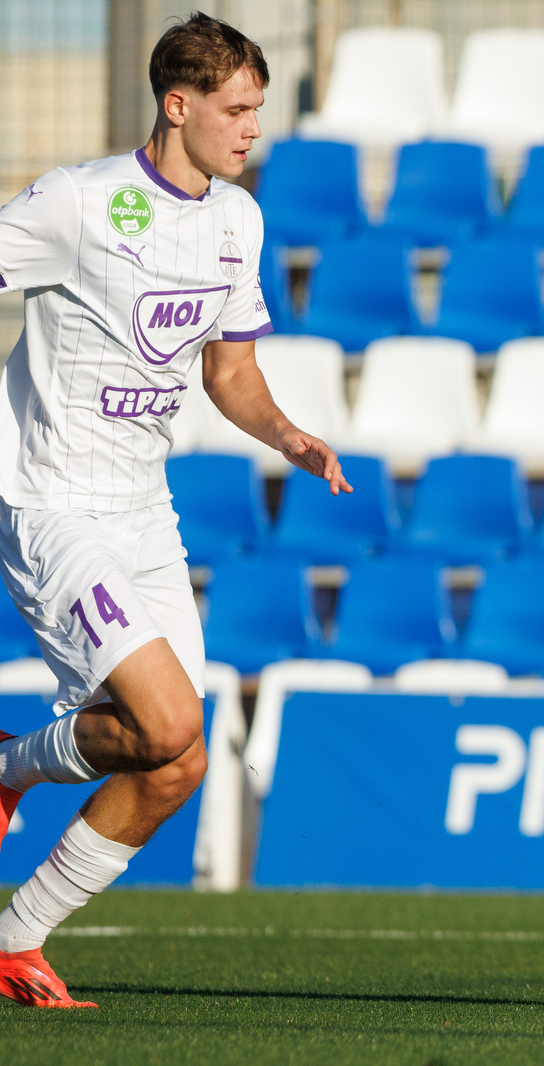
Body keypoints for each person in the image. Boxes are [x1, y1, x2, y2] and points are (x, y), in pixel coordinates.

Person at [0, 13, 350, 1007]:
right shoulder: (78, 203)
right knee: (164, 720)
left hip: (143, 513)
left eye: (258, 110)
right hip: (51, 501)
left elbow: (229, 369)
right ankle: (12, 769)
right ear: (177, 103)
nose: (251, 130)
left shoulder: (237, 219)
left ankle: (14, 935)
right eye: (236, 109)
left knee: (178, 760)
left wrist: (288, 436)